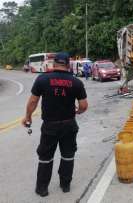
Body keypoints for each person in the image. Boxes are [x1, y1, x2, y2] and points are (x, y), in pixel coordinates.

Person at [22, 52, 88, 197]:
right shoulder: (76, 82)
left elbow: (33, 101)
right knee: (68, 155)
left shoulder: (42, 79)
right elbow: (83, 105)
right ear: (68, 63)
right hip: (69, 125)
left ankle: (42, 189)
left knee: (45, 157)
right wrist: (77, 112)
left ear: (53, 63)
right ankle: (65, 185)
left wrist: (28, 117)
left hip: (49, 126)